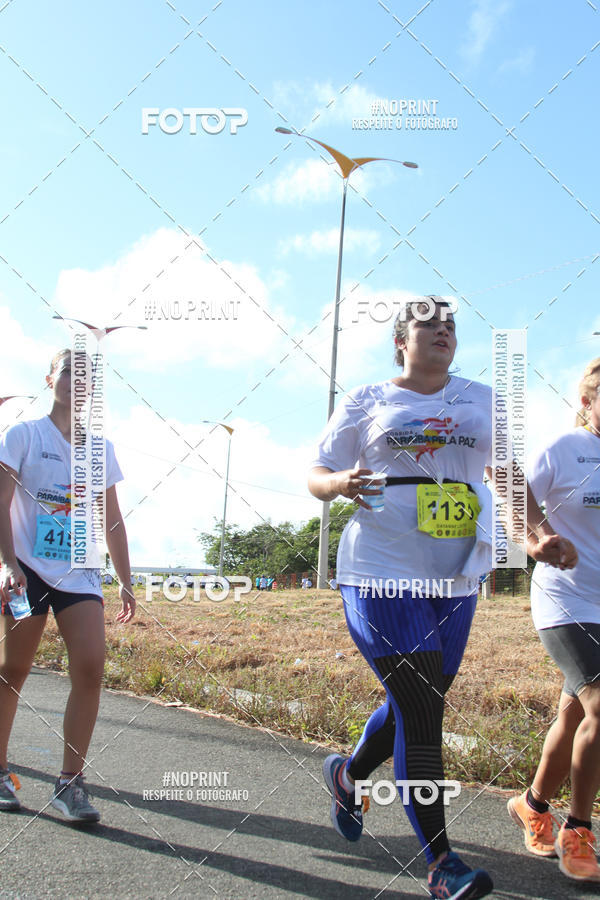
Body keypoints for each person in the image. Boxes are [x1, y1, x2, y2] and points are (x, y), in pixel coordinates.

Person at [308, 296, 576, 899]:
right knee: (424, 704)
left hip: (455, 573)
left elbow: (505, 476)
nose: (444, 333)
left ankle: (349, 774)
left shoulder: (484, 399)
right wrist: (341, 483)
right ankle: (441, 863)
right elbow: (316, 473)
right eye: (430, 325)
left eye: (451, 327)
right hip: (378, 568)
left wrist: (536, 536)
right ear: (400, 340)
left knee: (420, 698)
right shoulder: (366, 399)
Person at [0, 349, 135, 822]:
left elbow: (112, 519)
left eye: (86, 379)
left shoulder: (101, 450)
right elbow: (1, 499)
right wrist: (7, 564)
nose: (76, 383)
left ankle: (70, 783)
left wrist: (126, 579)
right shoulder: (22, 435)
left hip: (79, 573)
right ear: (50, 378)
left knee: (91, 666)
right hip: (25, 572)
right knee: (12, 669)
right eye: (68, 374)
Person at [508, 358, 600, 882]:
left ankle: (533, 805)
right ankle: (578, 831)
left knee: (574, 716)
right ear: (586, 402)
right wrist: (537, 539)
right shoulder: (565, 450)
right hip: (567, 601)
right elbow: (510, 487)